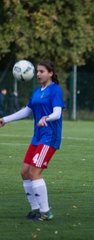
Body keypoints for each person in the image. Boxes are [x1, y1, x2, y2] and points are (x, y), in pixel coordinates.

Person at [0, 60, 64, 220]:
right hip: (37, 138)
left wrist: (46, 118)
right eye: (37, 71)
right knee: (24, 173)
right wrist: (5, 119)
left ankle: (45, 212)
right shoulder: (37, 91)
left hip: (49, 138)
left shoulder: (55, 90)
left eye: (41, 71)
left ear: (50, 73)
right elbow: (27, 111)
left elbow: (57, 113)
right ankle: (35, 209)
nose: (38, 74)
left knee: (34, 173)